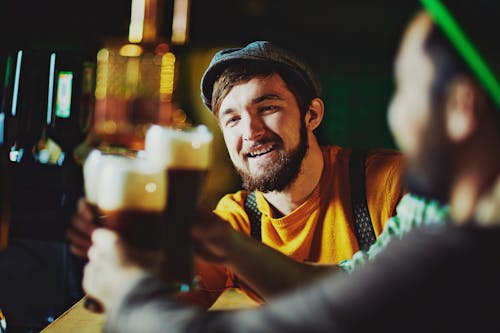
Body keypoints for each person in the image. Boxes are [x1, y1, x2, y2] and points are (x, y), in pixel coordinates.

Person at [82, 2, 500, 332]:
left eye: (406, 90)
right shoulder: (434, 211)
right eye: (231, 119)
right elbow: (344, 290)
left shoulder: (448, 238)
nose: (251, 131)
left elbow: (330, 318)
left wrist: (128, 294)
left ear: (462, 107)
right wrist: (224, 247)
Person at [68, 39, 408, 307]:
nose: (252, 131)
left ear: (312, 115)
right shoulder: (235, 220)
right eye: (232, 119)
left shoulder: (390, 182)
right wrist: (128, 253)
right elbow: (167, 302)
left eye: (268, 107)